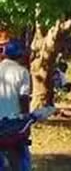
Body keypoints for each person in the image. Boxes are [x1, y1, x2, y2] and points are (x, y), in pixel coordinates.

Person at [0, 36, 32, 171]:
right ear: (20, 55)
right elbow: (24, 99)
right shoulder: (22, 72)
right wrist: (26, 121)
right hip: (13, 123)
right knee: (22, 158)